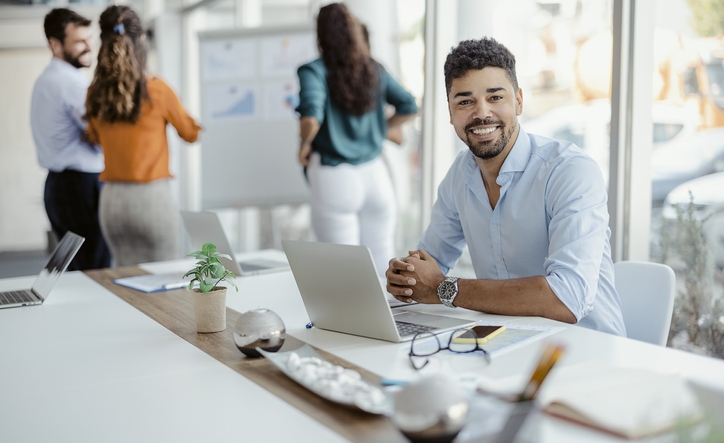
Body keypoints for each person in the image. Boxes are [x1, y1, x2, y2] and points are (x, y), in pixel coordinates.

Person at [385, 38, 625, 336]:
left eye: (495, 97)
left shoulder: (569, 170)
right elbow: (427, 264)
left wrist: (442, 288)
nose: (481, 113)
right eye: (465, 101)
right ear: (450, 112)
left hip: (587, 349)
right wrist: (406, 276)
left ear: (519, 101)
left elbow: (568, 297)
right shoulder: (460, 174)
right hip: (501, 342)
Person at [295, 3, 419, 276]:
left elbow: (310, 119)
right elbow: (409, 106)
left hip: (335, 176)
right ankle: (392, 319)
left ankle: (346, 321)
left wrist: (304, 145)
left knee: (343, 271)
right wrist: (381, 127)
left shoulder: (313, 71)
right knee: (384, 264)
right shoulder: (373, 68)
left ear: (321, 35)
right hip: (376, 177)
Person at [84, 5, 201, 266]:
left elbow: (94, 137)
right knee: (164, 282)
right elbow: (190, 133)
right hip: (151, 200)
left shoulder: (94, 93)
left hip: (112, 200)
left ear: (102, 43)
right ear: (142, 41)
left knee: (124, 279)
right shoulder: (157, 90)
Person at [30, 8, 111, 271]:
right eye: (79, 42)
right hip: (79, 187)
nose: (89, 47)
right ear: (55, 45)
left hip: (59, 185)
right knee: (94, 269)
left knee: (78, 269)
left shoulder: (47, 79)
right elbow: (101, 136)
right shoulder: (70, 83)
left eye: (89, 39)